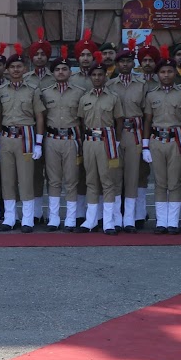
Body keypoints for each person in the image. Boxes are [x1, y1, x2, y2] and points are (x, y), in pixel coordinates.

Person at [0, 49, 44, 232]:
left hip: (26, 138)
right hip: (7, 137)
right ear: (7, 70)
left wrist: (38, 143)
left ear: (25, 69)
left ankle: (27, 218)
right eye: (12, 67)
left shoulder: (32, 90)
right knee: (7, 180)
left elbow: (39, 117)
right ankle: (9, 217)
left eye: (19, 66)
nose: (15, 70)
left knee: (26, 179)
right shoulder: (0, 91)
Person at [141, 52, 181, 234]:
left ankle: (173, 222)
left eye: (170, 71)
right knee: (161, 183)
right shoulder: (151, 95)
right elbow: (147, 120)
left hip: (176, 140)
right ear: (157, 74)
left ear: (175, 73)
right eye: (163, 72)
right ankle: (161, 222)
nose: (166, 75)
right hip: (156, 141)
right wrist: (145, 145)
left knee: (175, 182)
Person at [76, 54, 127, 233]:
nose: (97, 77)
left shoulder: (113, 97)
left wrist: (117, 140)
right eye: (94, 75)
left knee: (108, 181)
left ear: (106, 76)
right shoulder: (84, 98)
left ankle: (109, 221)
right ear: (90, 77)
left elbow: (119, 120)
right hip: (90, 141)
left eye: (100, 74)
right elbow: (81, 122)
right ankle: (90, 220)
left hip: (107, 142)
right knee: (91, 180)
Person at [39, 52, 84, 232]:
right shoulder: (45, 93)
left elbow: (82, 120)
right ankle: (54, 218)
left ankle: (71, 218)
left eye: (64, 69)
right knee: (53, 180)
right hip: (52, 139)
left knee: (72, 180)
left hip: (71, 139)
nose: (61, 72)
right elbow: (41, 117)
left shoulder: (79, 93)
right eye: (57, 69)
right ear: (53, 73)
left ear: (70, 72)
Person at [109, 44, 148, 230]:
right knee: (115, 176)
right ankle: (116, 217)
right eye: (122, 61)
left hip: (134, 133)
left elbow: (147, 113)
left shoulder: (142, 85)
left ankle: (130, 218)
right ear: (116, 64)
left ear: (134, 63)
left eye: (128, 61)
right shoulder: (110, 85)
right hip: (115, 135)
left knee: (132, 176)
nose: (125, 64)